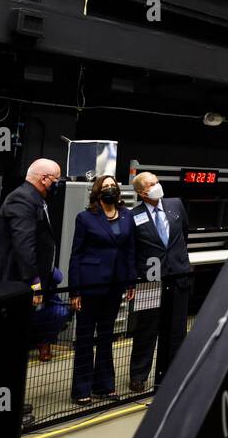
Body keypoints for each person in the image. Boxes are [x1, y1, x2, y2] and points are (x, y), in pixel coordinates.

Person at [68, 175, 136, 403]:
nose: (109, 189)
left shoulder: (127, 217)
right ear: (97, 192)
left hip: (115, 285)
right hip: (90, 284)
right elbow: (76, 254)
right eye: (105, 186)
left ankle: (104, 386)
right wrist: (75, 291)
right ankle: (82, 389)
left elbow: (130, 251)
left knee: (107, 336)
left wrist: (130, 281)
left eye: (112, 186)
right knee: (86, 337)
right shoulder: (85, 218)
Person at [127, 171, 193, 392]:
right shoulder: (133, 216)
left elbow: (184, 233)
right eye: (150, 184)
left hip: (178, 275)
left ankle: (174, 374)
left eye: (157, 182)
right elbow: (132, 250)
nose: (156, 186)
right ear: (141, 192)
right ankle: (138, 375)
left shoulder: (176, 205)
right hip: (150, 279)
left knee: (177, 328)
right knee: (146, 329)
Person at [0, 159, 62, 309]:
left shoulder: (35, 197)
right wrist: (34, 280)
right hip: (17, 282)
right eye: (56, 179)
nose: (58, 183)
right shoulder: (22, 199)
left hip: (28, 280)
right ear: (44, 179)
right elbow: (24, 245)